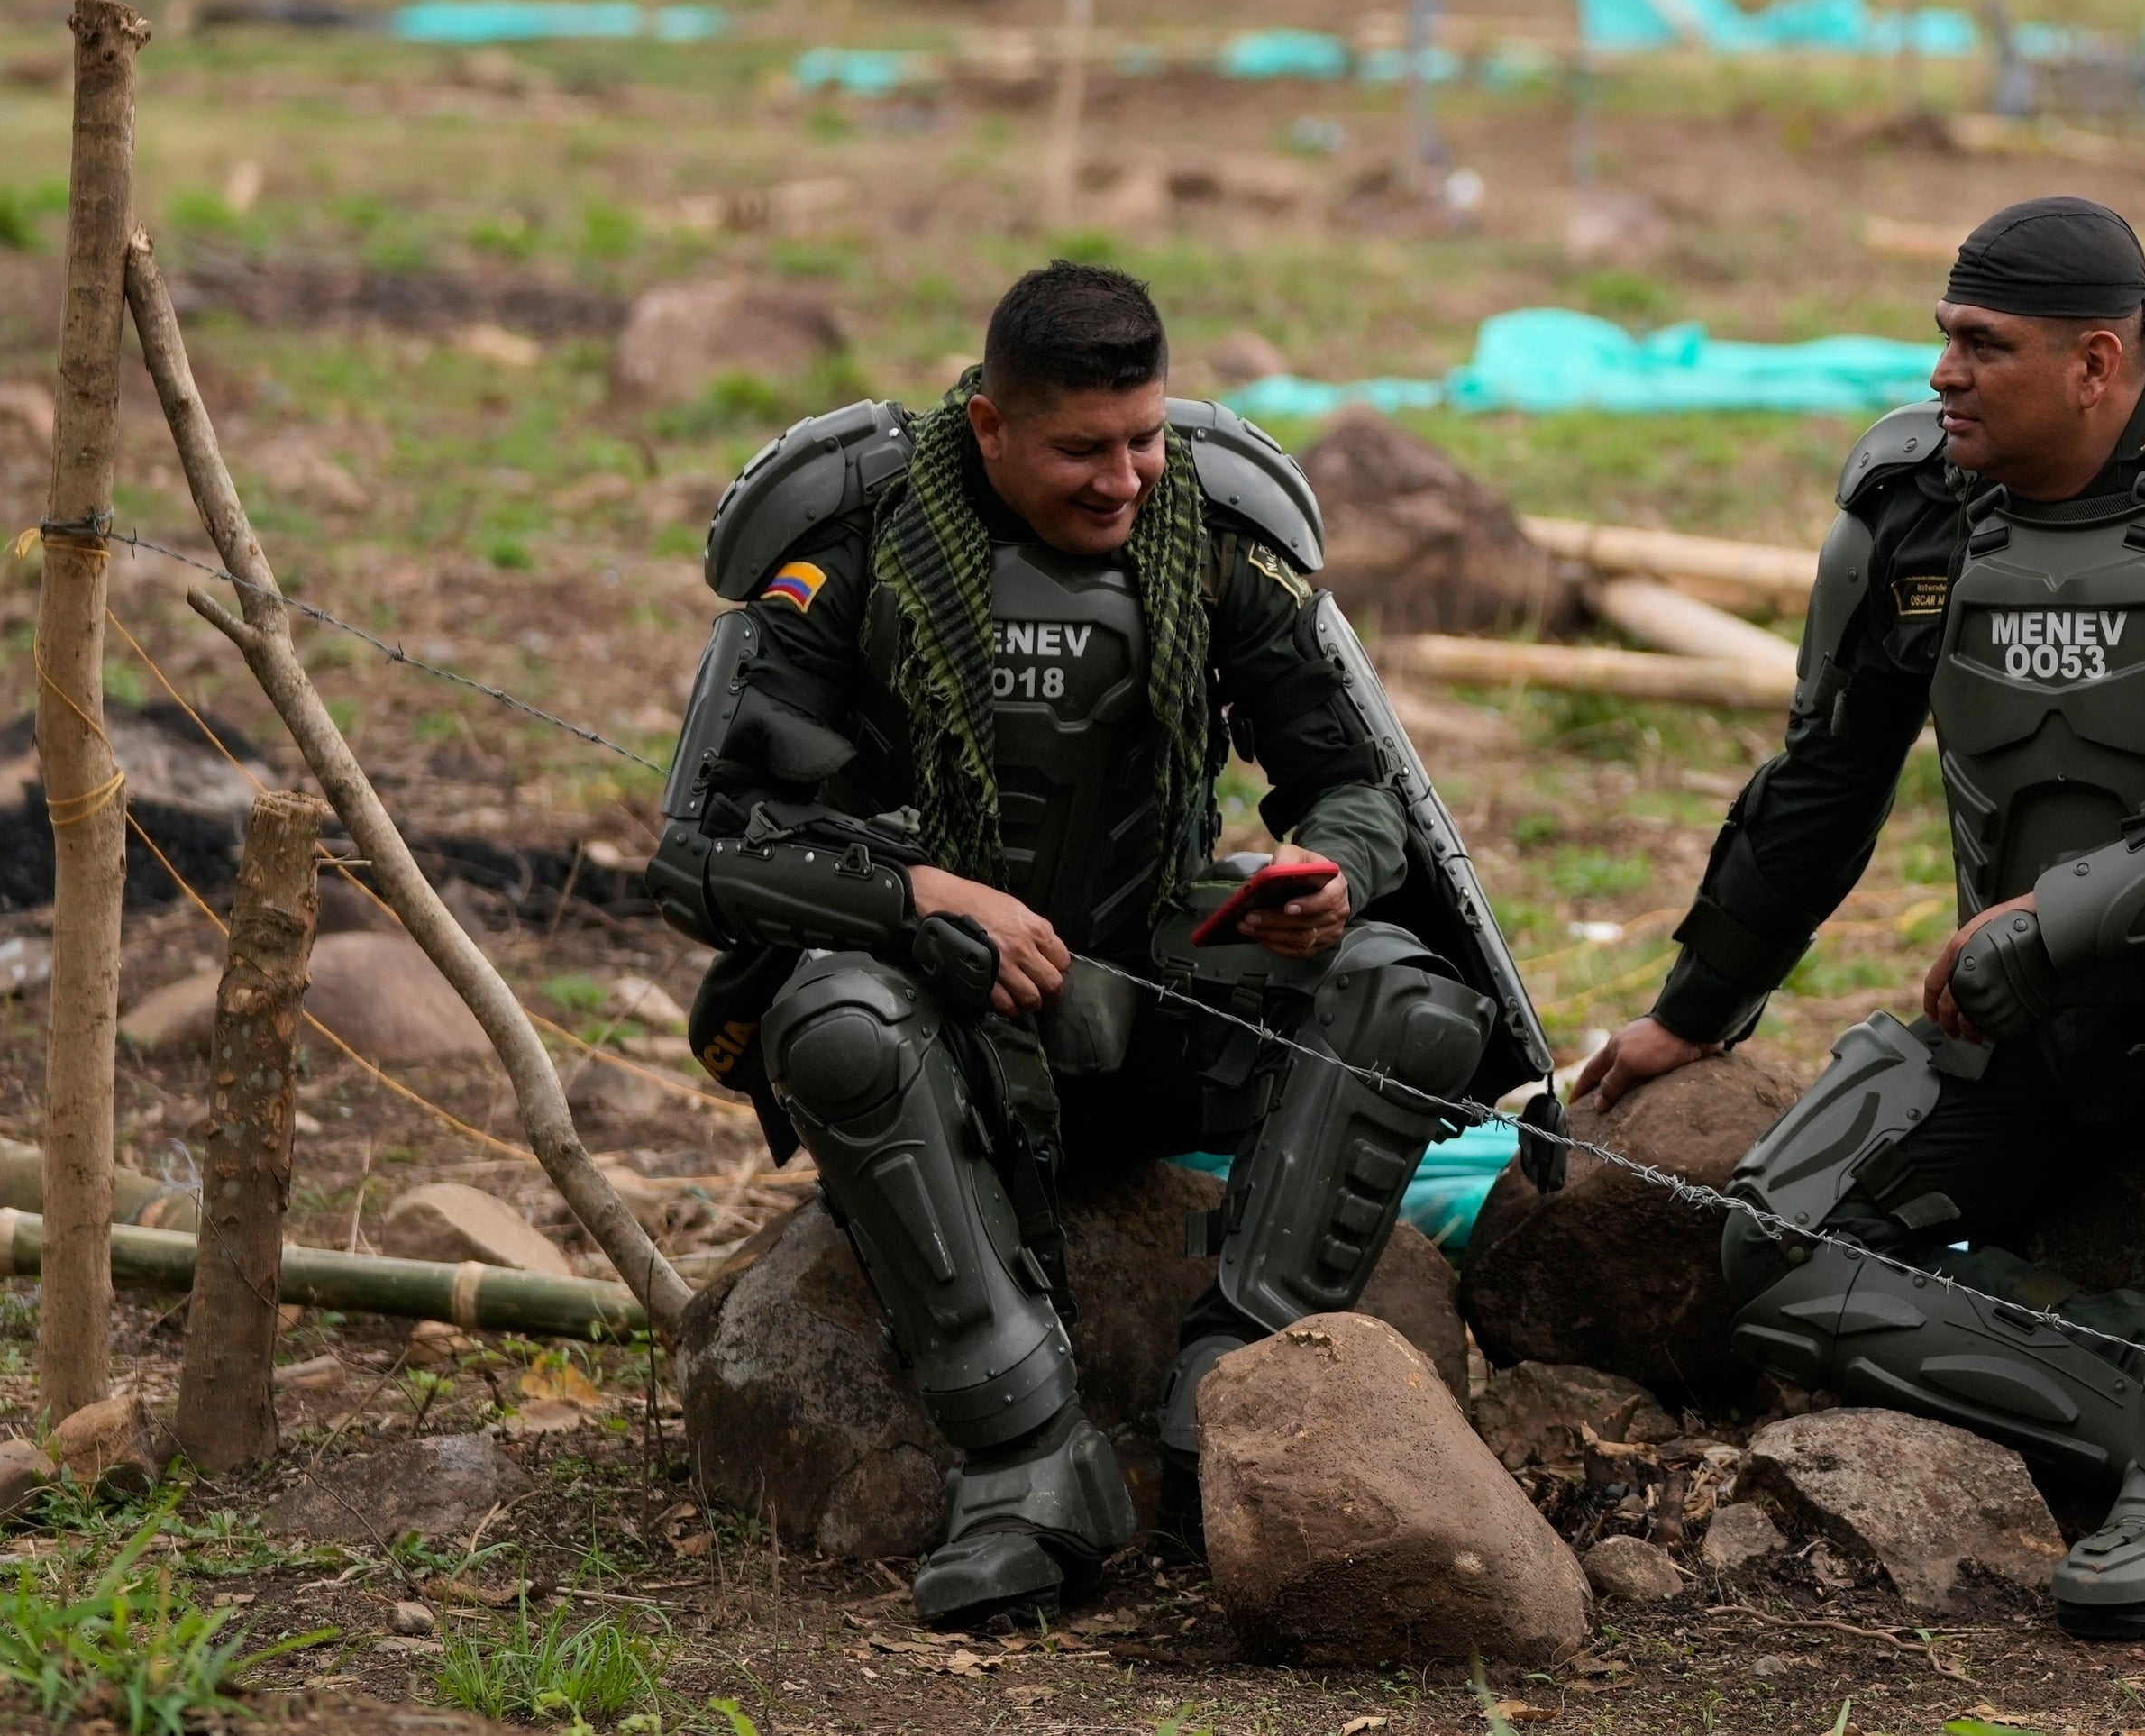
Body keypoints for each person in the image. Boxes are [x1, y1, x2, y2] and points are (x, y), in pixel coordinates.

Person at [1566, 196, 2145, 1639]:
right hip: (2027, 1012)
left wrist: (2057, 918)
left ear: (2098, 362)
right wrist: (1694, 1009)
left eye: (1982, 344)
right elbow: (1829, 771)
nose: (1943, 373)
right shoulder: (1912, 506)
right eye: (1942, 339)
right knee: (1770, 1252)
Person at [648, 262, 1550, 1627]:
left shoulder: (1207, 536)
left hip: (1144, 986)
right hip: (934, 1008)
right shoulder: (858, 542)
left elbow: (1356, 784)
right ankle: (1025, 1450)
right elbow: (702, 849)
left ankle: (1238, 1399)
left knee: (1409, 1002)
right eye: (1081, 447)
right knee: (831, 1021)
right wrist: (922, 898)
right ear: (990, 425)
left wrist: (1331, 870)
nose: (1123, 477)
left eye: (1143, 437)